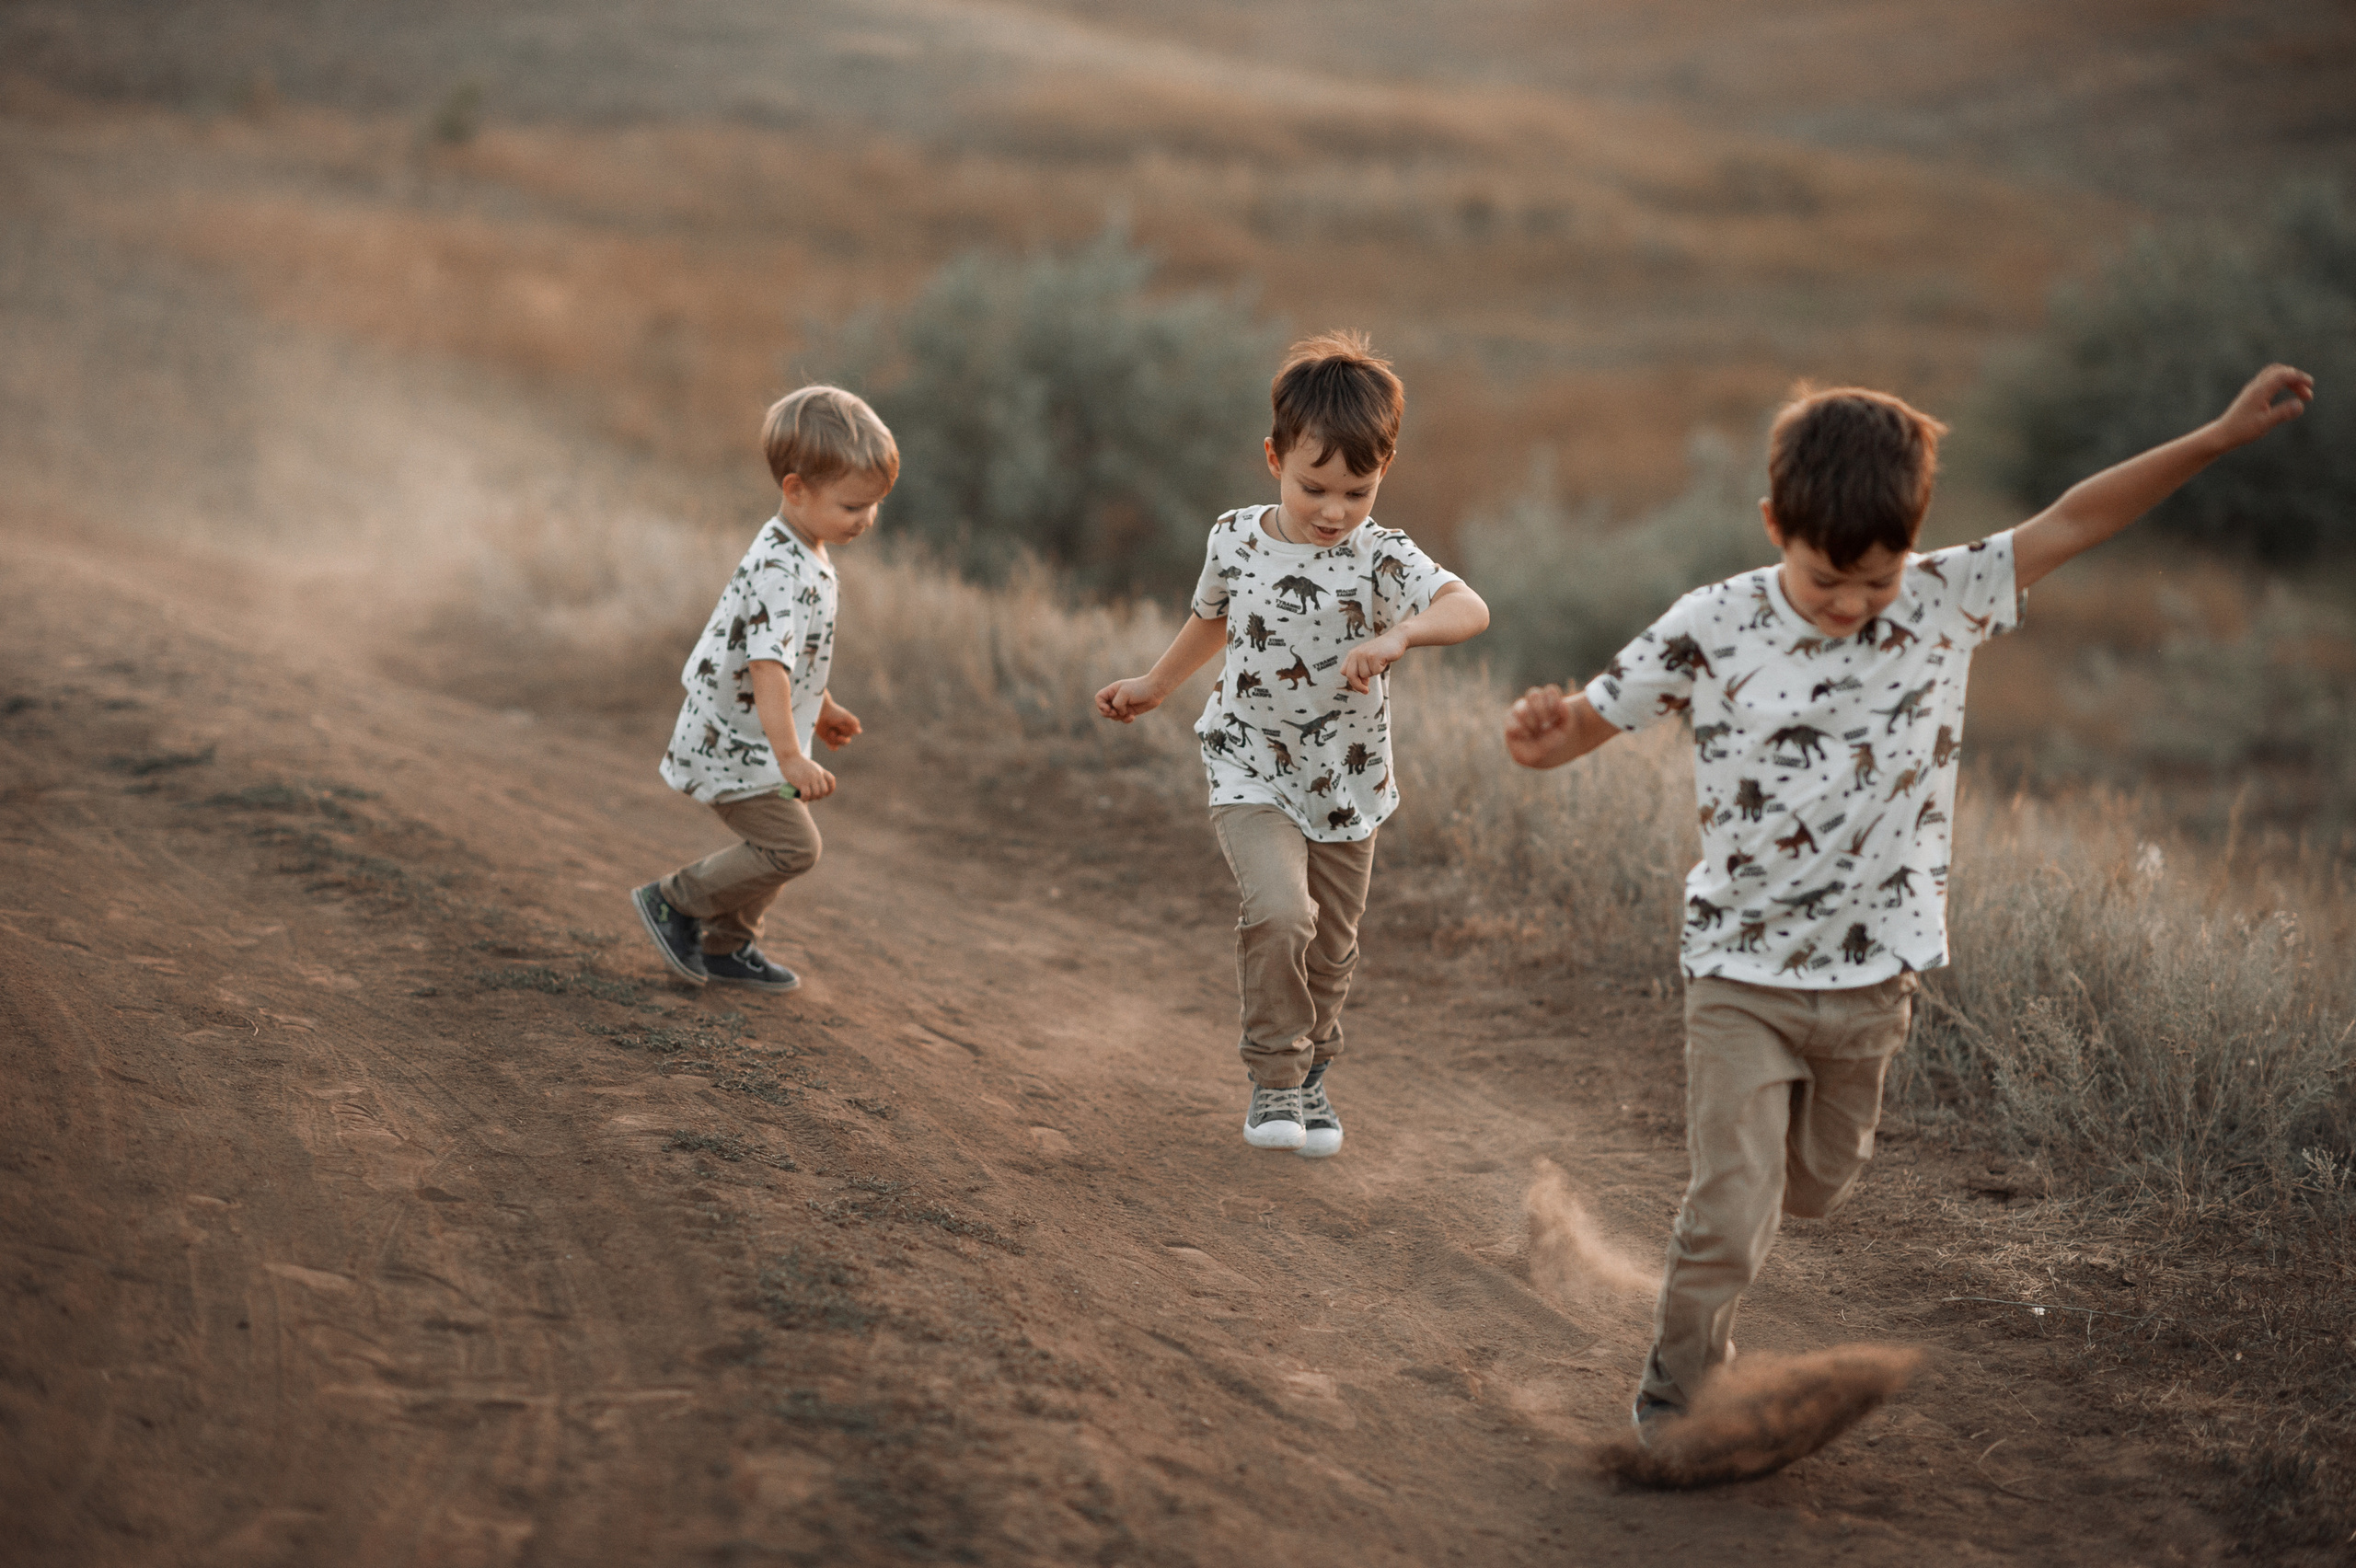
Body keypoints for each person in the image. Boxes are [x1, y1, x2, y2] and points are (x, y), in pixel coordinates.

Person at [1502, 363, 2314, 1435]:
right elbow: (1584, 726)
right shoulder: (1713, 622)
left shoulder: (1945, 596)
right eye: (1824, 578)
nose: (1849, 605)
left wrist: (2211, 439)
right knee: (1731, 1214)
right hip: (1738, 972)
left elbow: (2077, 517)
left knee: (1817, 1192)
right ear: (1772, 525)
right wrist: (1540, 739)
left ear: (1913, 548)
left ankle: (1758, 1191)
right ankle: (1675, 1405)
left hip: (1874, 980)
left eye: (1874, 581)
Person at [1097, 331, 1490, 1157]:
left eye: (1358, 490)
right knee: (1282, 913)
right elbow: (1211, 620)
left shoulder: (1381, 555)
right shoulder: (1234, 537)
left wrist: (1402, 637)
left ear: (1383, 475)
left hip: (1348, 782)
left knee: (1333, 947)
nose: (1333, 511)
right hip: (1248, 760)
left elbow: (1470, 608)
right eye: (1314, 487)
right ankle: (1273, 1076)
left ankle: (1314, 1071)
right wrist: (1154, 686)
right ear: (1273, 455)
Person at [631, 386, 897, 992]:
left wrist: (822, 708)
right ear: (796, 489)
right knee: (794, 847)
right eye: (854, 507)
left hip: (759, 737)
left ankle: (728, 946)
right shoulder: (782, 569)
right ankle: (674, 900)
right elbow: (767, 666)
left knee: (777, 840)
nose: (866, 520)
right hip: (733, 741)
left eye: (875, 506)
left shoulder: (805, 549)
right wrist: (791, 756)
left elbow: (795, 658)